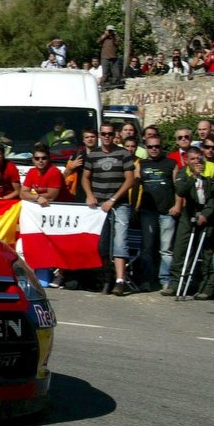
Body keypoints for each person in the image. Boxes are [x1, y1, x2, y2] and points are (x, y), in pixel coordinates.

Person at [163, 145, 214, 298]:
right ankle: (176, 283)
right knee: (181, 248)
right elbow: (180, 191)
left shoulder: (213, 170)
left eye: (199, 158)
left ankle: (207, 287)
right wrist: (193, 178)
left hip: (210, 215)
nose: (197, 162)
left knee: (208, 251)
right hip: (189, 212)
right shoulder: (184, 173)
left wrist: (206, 213)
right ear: (186, 160)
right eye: (193, 159)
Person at [83, 123, 136, 296]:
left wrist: (113, 199)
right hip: (99, 206)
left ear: (115, 135)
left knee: (120, 241)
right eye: (104, 133)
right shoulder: (93, 155)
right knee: (101, 244)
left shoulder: (124, 154)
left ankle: (120, 280)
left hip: (119, 204)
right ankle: (107, 277)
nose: (106, 136)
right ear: (100, 134)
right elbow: (85, 177)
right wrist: (89, 194)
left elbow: (130, 180)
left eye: (110, 134)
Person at [139, 134, 179, 289]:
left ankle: (165, 280)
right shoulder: (140, 164)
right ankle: (147, 280)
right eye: (150, 146)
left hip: (166, 211)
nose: (154, 149)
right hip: (147, 211)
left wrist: (177, 205)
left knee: (166, 249)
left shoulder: (171, 163)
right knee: (147, 248)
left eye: (157, 146)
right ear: (146, 147)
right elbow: (135, 185)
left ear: (162, 147)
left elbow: (178, 187)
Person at [21, 142, 69, 207]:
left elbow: (51, 197)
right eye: (37, 158)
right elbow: (22, 194)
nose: (40, 161)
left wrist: (31, 196)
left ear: (49, 159)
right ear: (33, 160)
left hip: (62, 206)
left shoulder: (54, 172)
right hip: (43, 206)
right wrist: (37, 197)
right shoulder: (31, 172)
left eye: (44, 158)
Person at [63, 127, 98, 203]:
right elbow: (63, 177)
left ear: (97, 138)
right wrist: (71, 167)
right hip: (79, 195)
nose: (90, 139)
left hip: (98, 194)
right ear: (83, 140)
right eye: (87, 137)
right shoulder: (77, 156)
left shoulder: (102, 155)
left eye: (92, 137)